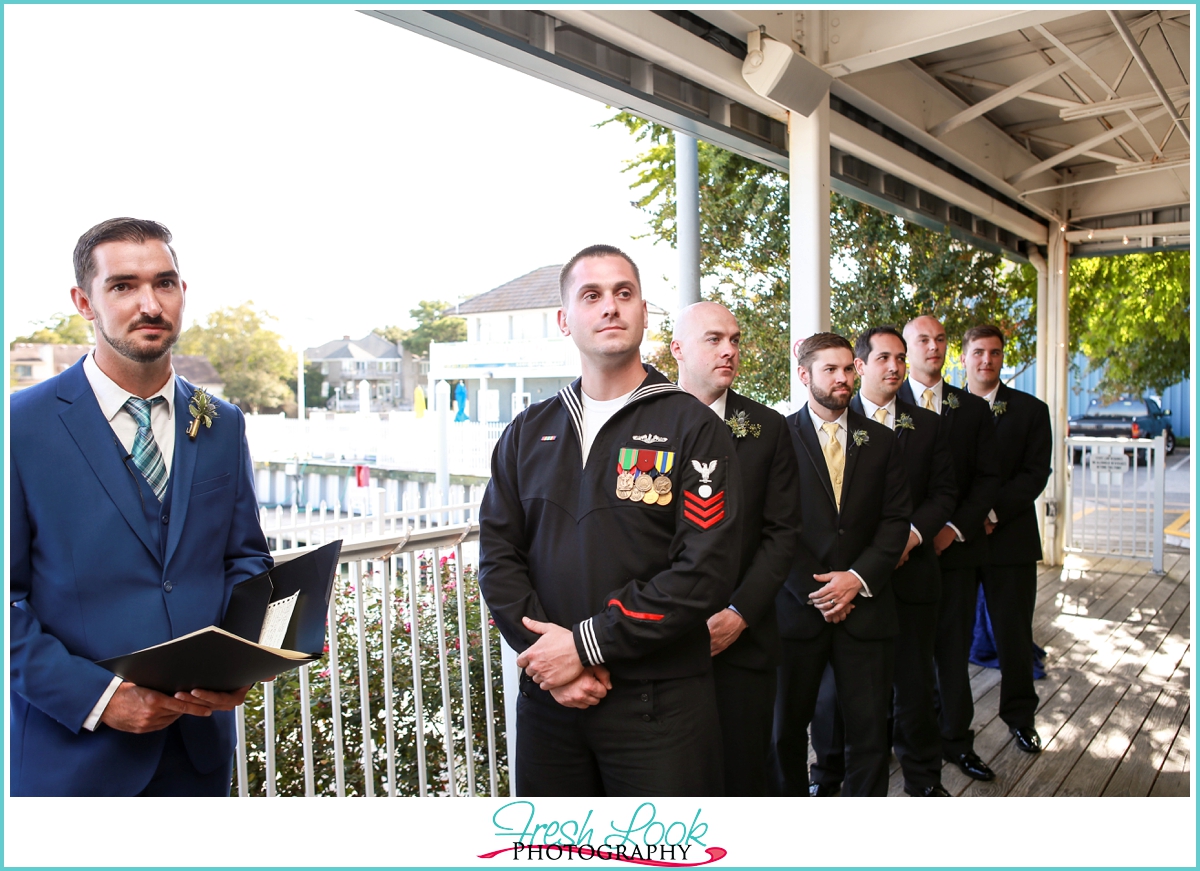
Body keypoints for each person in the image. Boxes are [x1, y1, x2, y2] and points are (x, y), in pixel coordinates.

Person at [10, 218, 272, 796]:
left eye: (165, 283)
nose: (150, 304)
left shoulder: (221, 421)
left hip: (199, 751)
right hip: (73, 759)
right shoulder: (19, 427)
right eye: (123, 286)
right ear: (85, 301)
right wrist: (98, 699)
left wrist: (240, 665)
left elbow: (246, 560)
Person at [477, 245, 742, 796]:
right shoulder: (528, 431)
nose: (610, 307)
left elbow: (704, 570)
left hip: (659, 708)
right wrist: (554, 663)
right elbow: (499, 557)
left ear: (645, 312)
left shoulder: (693, 426)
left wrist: (585, 646)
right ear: (564, 319)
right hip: (551, 706)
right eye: (591, 295)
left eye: (624, 293)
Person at [808, 326, 958, 796]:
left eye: (900, 357)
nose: (894, 367)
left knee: (915, 688)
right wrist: (849, 577)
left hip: (910, 577)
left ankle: (923, 781)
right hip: (845, 586)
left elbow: (944, 493)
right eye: (883, 359)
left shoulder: (929, 424)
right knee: (833, 698)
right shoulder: (832, 414)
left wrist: (909, 538)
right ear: (862, 365)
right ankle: (825, 778)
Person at [770, 332, 910, 797]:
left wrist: (856, 580)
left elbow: (894, 523)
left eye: (849, 368)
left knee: (870, 735)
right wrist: (821, 593)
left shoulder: (884, 441)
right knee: (784, 733)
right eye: (830, 369)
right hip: (796, 612)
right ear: (805, 375)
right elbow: (772, 527)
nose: (843, 378)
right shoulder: (777, 438)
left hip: (866, 610)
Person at [671, 301, 800, 796]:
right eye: (714, 339)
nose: (729, 350)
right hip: (661, 644)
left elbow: (783, 531)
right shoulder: (644, 421)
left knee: (744, 775)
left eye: (735, 339)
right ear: (678, 348)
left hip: (743, 640)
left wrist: (740, 612)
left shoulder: (768, 427)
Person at [899, 315, 1001, 782]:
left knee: (952, 654)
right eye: (923, 339)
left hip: (955, 553)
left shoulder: (972, 410)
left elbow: (986, 481)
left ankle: (958, 742)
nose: (933, 346)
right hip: (898, 557)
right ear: (906, 347)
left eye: (940, 339)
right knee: (902, 659)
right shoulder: (883, 402)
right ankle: (895, 742)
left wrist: (951, 530)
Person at [962, 324, 1052, 754]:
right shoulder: (940, 409)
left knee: (1014, 637)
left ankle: (1021, 718)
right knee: (948, 640)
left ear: (1002, 358)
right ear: (963, 357)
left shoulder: (1032, 411)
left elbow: (1035, 474)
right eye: (978, 352)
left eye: (994, 353)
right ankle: (951, 727)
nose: (986, 360)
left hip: (1010, 539)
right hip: (955, 542)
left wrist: (991, 512)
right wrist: (966, 519)